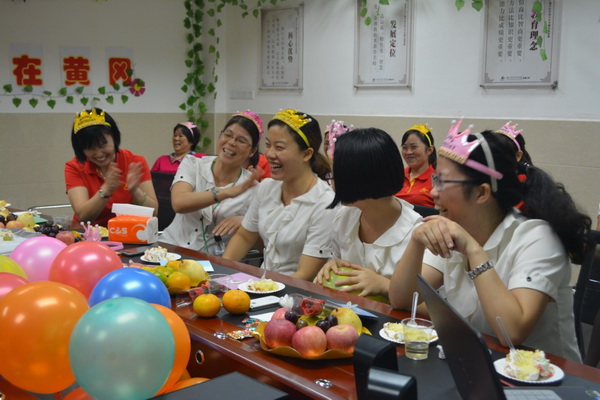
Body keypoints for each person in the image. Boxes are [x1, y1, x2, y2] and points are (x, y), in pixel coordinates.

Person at [389, 119, 591, 361]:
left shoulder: (537, 237)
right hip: (480, 365)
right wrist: (416, 241)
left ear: (481, 192)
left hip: (548, 377)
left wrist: (474, 251)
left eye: (442, 181)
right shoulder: (454, 228)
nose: (433, 192)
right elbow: (401, 300)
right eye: (435, 180)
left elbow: (511, 331)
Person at [223, 108, 335, 280]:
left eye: (279, 147)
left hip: (296, 292)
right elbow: (245, 236)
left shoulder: (325, 203)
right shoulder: (266, 188)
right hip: (262, 285)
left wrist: (262, 288)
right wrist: (221, 272)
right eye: (268, 145)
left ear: (307, 154)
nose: (269, 154)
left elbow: (305, 274)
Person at [313, 128, 422, 301]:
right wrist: (334, 266)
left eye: (336, 174)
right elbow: (339, 265)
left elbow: (427, 306)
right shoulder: (344, 217)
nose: (333, 182)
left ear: (359, 177)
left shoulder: (416, 235)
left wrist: (385, 285)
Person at [159, 111, 263, 254]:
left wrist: (246, 222)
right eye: (228, 135)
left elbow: (263, 247)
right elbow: (179, 203)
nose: (231, 142)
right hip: (170, 250)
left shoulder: (253, 188)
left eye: (241, 140)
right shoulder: (193, 164)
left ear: (252, 151)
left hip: (213, 260)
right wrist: (225, 193)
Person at [65, 108, 158, 227]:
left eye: (102, 145)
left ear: (114, 137)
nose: (99, 154)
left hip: (128, 231)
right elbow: (83, 216)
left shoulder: (135, 162)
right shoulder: (74, 167)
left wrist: (135, 191)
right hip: (90, 233)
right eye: (90, 148)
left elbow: (154, 212)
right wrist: (106, 189)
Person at [394, 124, 436, 207]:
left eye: (414, 147)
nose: (409, 152)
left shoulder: (437, 180)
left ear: (430, 150)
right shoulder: (396, 176)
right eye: (405, 148)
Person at [323, 120, 354, 186]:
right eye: (327, 143)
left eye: (334, 142)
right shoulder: (321, 171)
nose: (330, 147)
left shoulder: (353, 172)